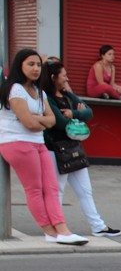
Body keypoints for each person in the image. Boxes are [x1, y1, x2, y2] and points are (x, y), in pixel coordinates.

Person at [0, 49, 87, 244]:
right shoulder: (14, 89)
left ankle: (62, 229)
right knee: (34, 189)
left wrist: (37, 119)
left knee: (52, 187)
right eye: (30, 64)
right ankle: (49, 231)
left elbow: (52, 120)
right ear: (19, 66)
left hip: (38, 142)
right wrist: (40, 120)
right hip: (17, 142)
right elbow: (28, 123)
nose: (36, 68)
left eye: (38, 65)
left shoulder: (39, 92)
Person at [43, 61, 120, 237]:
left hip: (73, 147)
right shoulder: (47, 98)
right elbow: (59, 122)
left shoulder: (67, 95)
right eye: (64, 75)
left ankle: (98, 226)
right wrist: (73, 115)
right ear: (53, 77)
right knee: (57, 190)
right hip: (55, 149)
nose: (67, 78)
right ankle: (56, 225)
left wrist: (73, 114)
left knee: (85, 190)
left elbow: (89, 112)